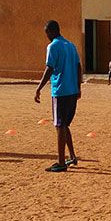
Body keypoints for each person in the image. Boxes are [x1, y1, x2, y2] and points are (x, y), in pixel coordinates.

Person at [35, 20, 82, 172]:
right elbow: (78, 66)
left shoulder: (53, 46)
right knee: (64, 125)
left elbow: (49, 68)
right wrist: (78, 87)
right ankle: (72, 157)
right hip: (72, 90)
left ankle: (61, 162)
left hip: (60, 90)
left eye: (47, 33)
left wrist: (39, 87)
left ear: (50, 32)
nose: (47, 37)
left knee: (59, 126)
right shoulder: (71, 45)